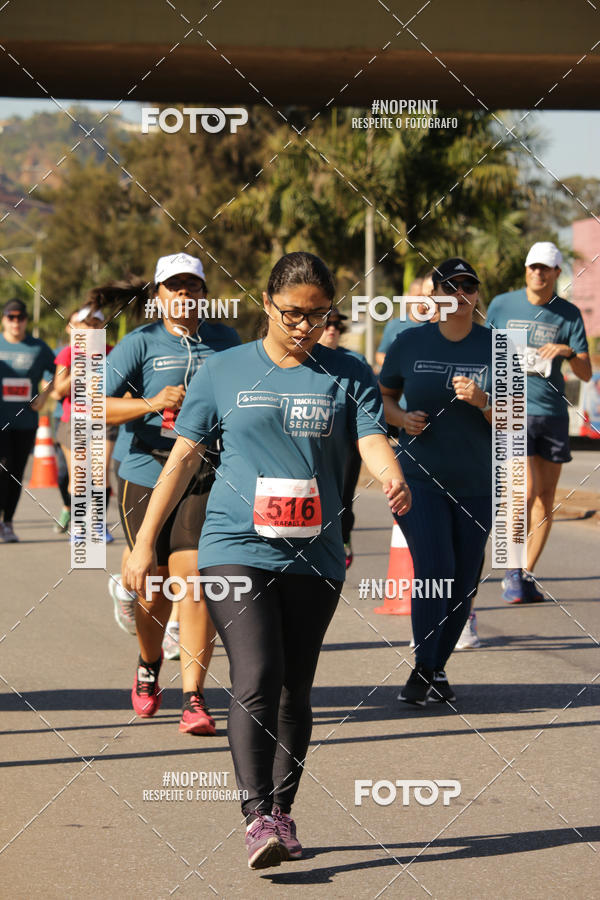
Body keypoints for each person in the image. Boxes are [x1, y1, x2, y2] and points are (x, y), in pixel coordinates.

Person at [124, 251, 411, 869]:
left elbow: (369, 437)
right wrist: (146, 540)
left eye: (316, 314)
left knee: (294, 687)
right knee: (257, 671)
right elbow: (183, 458)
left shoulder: (348, 372)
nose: (304, 326)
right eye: (291, 314)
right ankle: (256, 818)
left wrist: (391, 477)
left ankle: (282, 810)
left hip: (316, 555)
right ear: (265, 305)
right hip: (234, 547)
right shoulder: (224, 371)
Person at [106, 252, 240, 735]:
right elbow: (92, 405)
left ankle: (194, 697)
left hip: (204, 471)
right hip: (145, 470)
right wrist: (151, 402)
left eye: (192, 286)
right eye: (174, 286)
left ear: (204, 293)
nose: (184, 294)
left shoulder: (225, 341)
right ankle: (147, 665)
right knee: (155, 585)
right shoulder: (140, 343)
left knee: (195, 579)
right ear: (158, 295)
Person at [379, 257, 493, 706]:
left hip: (478, 483)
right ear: (434, 296)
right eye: (450, 286)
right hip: (419, 480)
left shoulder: (497, 347)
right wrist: (402, 418)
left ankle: (435, 667)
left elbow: (515, 419)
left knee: (464, 580)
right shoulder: (408, 343)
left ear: (476, 295)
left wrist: (484, 402)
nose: (459, 294)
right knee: (436, 569)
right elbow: (383, 398)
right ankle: (424, 668)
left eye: (468, 286)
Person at [486, 242, 591, 603]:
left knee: (546, 497)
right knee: (523, 492)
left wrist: (567, 351)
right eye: (533, 267)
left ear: (557, 273)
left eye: (545, 268)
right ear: (525, 269)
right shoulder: (502, 305)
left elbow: (586, 371)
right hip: (511, 408)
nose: (538, 273)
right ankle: (511, 569)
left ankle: (524, 574)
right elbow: (482, 348)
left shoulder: (569, 314)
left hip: (551, 412)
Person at [0, 298, 55, 542]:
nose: (15, 322)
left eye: (20, 318)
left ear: (26, 320)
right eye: (11, 317)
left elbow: (59, 371)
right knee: (2, 469)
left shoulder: (38, 348)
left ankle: (8, 522)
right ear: (3, 319)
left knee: (15, 473)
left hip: (25, 423)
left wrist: (45, 395)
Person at [318, 308, 366, 568]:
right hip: (313, 442)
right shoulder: (304, 359)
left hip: (347, 446)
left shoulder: (355, 362)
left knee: (343, 500)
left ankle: (343, 536)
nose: (332, 329)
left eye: (337, 325)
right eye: (327, 324)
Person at [374, 273, 436, 370]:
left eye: (425, 296)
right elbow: (380, 354)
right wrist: (397, 370)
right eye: (417, 296)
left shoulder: (436, 325)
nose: (421, 300)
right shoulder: (394, 325)